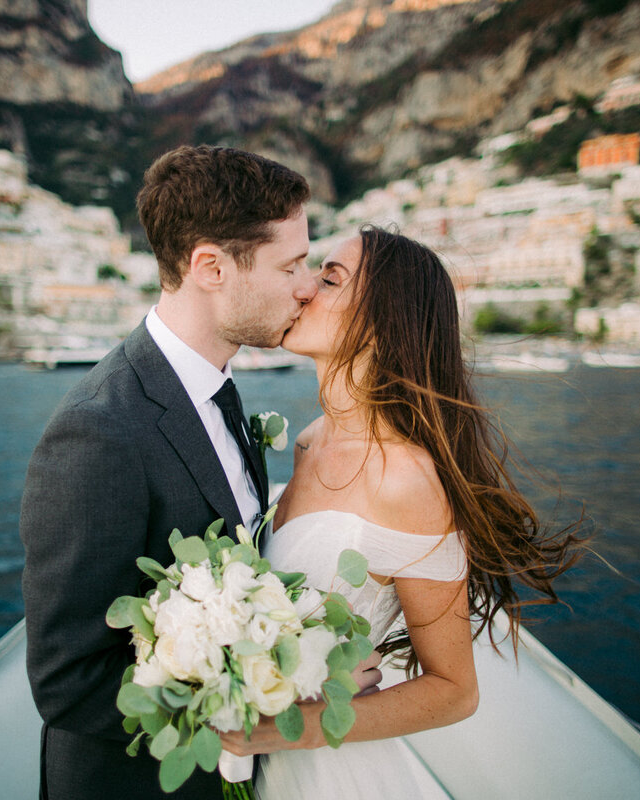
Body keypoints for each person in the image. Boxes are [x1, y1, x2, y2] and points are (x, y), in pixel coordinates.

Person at [218, 226, 585, 797]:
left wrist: (287, 730)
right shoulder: (310, 441)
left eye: (331, 277)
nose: (306, 287)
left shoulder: (407, 481)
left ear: (383, 321)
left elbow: (454, 689)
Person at [20, 145, 321, 798]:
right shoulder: (98, 431)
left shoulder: (219, 389)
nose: (307, 285)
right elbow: (66, 682)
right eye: (291, 264)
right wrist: (268, 701)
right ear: (210, 267)